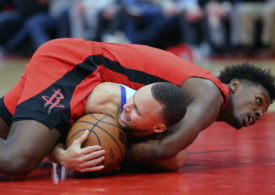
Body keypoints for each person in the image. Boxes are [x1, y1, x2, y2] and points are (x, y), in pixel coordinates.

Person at [0, 38, 275, 175]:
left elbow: (169, 155)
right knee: (16, 161)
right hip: (78, 64)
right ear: (235, 85)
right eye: (259, 101)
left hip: (79, 69)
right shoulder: (211, 92)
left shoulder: (191, 101)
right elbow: (161, 148)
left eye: (263, 112)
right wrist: (95, 154)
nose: (258, 113)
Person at [49, 81, 187, 172]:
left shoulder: (168, 148)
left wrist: (116, 157)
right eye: (134, 97)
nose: (126, 107)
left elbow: (177, 160)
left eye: (136, 110)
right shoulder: (101, 99)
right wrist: (62, 156)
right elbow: (46, 129)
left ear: (158, 129)